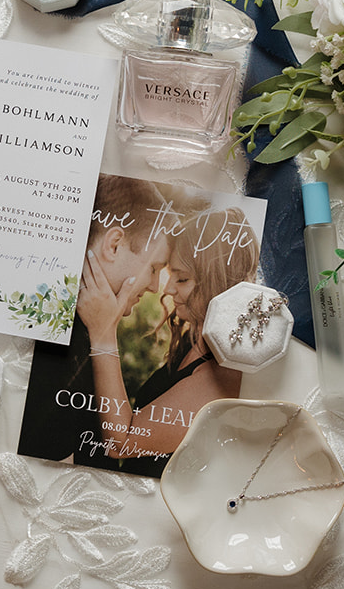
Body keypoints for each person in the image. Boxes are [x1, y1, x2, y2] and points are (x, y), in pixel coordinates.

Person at [15, 175, 180, 464]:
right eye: (154, 268)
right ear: (114, 245)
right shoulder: (56, 329)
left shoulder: (73, 314)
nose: (155, 287)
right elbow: (45, 449)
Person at [81, 204, 260, 465]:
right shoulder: (194, 339)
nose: (167, 289)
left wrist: (104, 334)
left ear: (218, 283)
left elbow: (121, 443)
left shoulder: (223, 373)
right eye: (169, 274)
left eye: (182, 279)